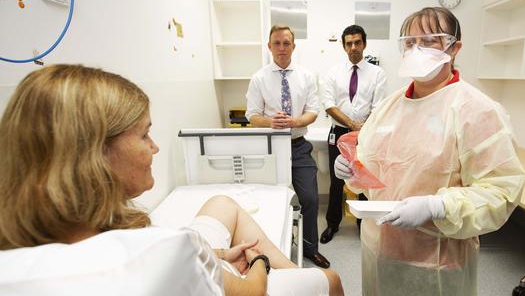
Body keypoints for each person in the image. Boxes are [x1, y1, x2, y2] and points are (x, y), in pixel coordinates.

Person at [0, 64, 343, 296]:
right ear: (93, 154)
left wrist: (218, 253)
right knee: (331, 280)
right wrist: (259, 262)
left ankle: (288, 270)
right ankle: (290, 273)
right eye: (145, 135)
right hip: (235, 277)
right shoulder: (168, 251)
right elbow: (249, 290)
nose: (155, 146)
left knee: (222, 203)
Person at [335, 7, 525, 295]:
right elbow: (371, 166)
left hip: (436, 259)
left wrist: (438, 207)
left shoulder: (477, 110)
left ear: (455, 48)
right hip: (378, 248)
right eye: (409, 43)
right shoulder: (390, 106)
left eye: (429, 41)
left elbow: (501, 191)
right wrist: (352, 170)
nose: (416, 50)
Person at [245, 25, 330, 269]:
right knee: (269, 200)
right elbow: (252, 115)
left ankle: (310, 249)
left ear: (293, 46)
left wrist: (295, 122)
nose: (281, 48)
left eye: (286, 43)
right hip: (270, 147)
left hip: (298, 146)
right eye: (277, 43)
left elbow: (313, 111)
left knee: (311, 198)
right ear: (269, 46)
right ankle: (269, 250)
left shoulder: (306, 76)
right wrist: (270, 122)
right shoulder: (259, 78)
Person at [320, 24, 386, 244]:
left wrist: (362, 128)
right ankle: (332, 224)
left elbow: (378, 107)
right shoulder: (333, 73)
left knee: (362, 180)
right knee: (336, 180)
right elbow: (328, 105)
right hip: (338, 133)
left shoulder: (377, 74)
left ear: (364, 44)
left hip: (366, 135)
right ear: (343, 46)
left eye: (357, 42)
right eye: (349, 43)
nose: (353, 47)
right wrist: (351, 124)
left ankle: (362, 224)